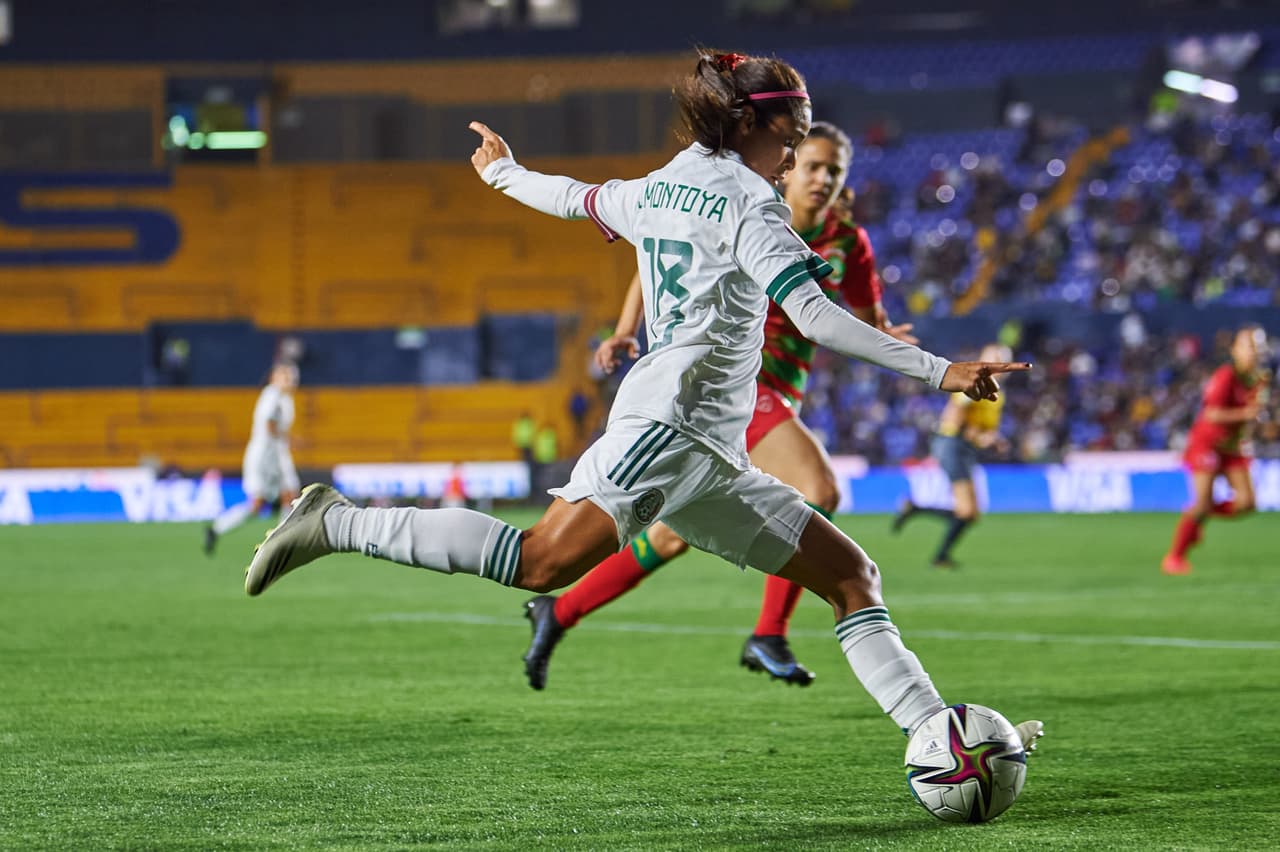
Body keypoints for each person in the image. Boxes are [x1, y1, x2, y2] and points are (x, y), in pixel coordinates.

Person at [243, 51, 1041, 761]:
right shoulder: (749, 206)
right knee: (540, 563)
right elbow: (817, 319)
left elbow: (576, 198)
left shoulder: (662, 185)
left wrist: (501, 174)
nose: (797, 150)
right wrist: (941, 370)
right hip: (666, 427)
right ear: (747, 124)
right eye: (791, 133)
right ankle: (334, 521)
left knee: (850, 576)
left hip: (713, 456)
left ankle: (939, 737)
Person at [519, 121, 917, 691]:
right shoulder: (745, 204)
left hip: (780, 392)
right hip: (732, 388)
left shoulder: (849, 242)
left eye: (835, 170)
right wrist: (626, 328)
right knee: (820, 488)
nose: (822, 178)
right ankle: (769, 634)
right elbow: (659, 244)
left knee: (670, 534)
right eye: (812, 165)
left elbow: (865, 318)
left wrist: (889, 337)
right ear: (789, 165)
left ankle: (558, 613)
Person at [891, 343, 1012, 568]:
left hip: (963, 447)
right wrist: (979, 437)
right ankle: (939, 555)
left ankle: (918, 514)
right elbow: (954, 419)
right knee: (967, 511)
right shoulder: (973, 386)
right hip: (952, 444)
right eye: (994, 359)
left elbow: (983, 428)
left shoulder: (996, 395)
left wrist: (992, 439)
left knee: (971, 513)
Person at [1162, 326, 1269, 575]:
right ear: (1234, 350)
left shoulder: (1258, 380)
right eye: (1248, 346)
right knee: (1201, 503)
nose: (1253, 352)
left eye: (1256, 347)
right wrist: (1246, 414)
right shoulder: (1225, 376)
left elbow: (1253, 418)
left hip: (1232, 447)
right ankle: (1175, 557)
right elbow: (1212, 414)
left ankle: (1197, 517)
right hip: (1207, 444)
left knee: (1247, 503)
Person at [204, 361, 300, 554]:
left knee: (277, 499)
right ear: (273, 378)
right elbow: (269, 426)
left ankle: (217, 529)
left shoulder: (284, 399)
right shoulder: (272, 395)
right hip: (265, 456)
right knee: (278, 498)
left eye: (290, 377)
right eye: (284, 376)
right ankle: (279, 543)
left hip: (273, 454)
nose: (288, 380)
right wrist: (289, 439)